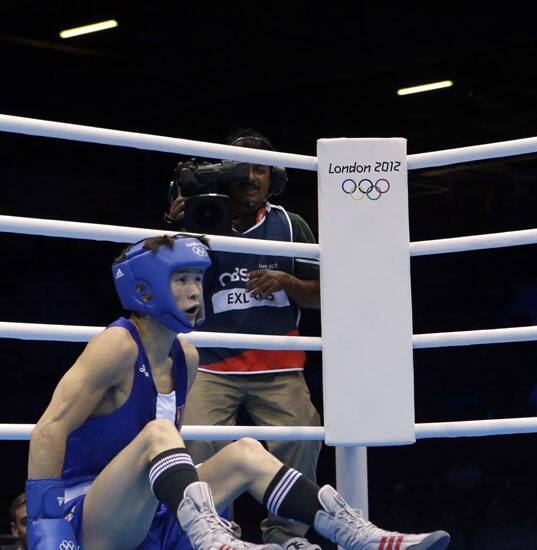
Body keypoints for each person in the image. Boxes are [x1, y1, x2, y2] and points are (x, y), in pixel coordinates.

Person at [25, 235, 450, 550]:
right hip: (89, 516)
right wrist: (47, 527)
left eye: (197, 278)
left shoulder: (185, 357)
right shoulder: (115, 345)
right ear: (145, 289)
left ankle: (357, 533)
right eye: (180, 280)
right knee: (158, 433)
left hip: (151, 514)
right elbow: (48, 430)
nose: (195, 290)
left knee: (245, 449)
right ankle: (212, 539)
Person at [167, 129, 324, 547]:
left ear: (273, 177)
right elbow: (163, 288)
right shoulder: (196, 222)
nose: (252, 177)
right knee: (191, 440)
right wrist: (174, 230)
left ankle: (288, 537)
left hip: (278, 363)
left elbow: (323, 297)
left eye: (261, 169)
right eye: (242, 168)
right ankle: (217, 536)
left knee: (303, 438)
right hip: (211, 363)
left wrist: (288, 281)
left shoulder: (292, 226)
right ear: (223, 174)